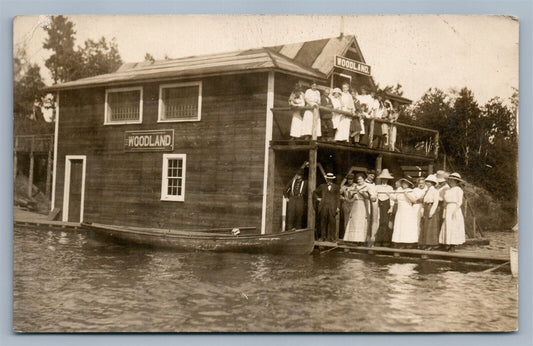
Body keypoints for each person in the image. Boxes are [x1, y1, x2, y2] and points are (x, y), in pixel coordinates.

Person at [439, 172, 466, 251]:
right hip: (448, 208)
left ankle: (453, 244)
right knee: (447, 225)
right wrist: (444, 210)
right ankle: (447, 243)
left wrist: (455, 210)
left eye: (453, 181)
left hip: (455, 208)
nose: (451, 182)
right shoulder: (448, 190)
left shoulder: (458, 190)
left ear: (456, 182)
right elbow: (445, 201)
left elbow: (460, 201)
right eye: (450, 180)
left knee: (454, 225)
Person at [343, 173, 370, 244]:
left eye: (360, 179)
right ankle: (353, 239)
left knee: (361, 221)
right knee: (354, 221)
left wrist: (362, 193)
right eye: (358, 179)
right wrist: (351, 194)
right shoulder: (355, 187)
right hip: (355, 204)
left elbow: (368, 197)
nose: (359, 181)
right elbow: (349, 197)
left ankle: (361, 240)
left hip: (362, 205)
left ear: (364, 179)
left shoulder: (366, 186)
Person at [391, 178, 418, 248]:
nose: (404, 184)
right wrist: (389, 194)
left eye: (406, 183)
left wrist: (407, 194)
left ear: (408, 184)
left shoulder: (410, 191)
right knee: (399, 225)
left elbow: (414, 200)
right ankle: (400, 242)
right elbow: (395, 198)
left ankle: (408, 243)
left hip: (407, 210)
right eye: (403, 183)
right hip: (400, 211)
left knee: (406, 226)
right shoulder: (399, 190)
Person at [313, 173, 340, 242]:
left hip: (332, 207)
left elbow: (338, 198)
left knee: (332, 222)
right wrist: (318, 198)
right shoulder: (322, 186)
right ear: (326, 179)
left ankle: (332, 238)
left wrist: (338, 207)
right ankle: (322, 237)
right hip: (324, 206)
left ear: (332, 179)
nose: (329, 180)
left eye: (331, 179)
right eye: (328, 179)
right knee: (323, 222)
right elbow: (314, 192)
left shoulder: (336, 187)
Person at [418, 174, 440, 249]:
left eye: (429, 182)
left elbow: (436, 202)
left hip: (431, 207)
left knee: (431, 226)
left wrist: (431, 212)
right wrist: (423, 209)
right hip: (426, 207)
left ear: (432, 183)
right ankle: (425, 243)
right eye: (427, 181)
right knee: (425, 226)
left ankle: (431, 244)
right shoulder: (427, 191)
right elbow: (425, 200)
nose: (427, 183)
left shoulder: (435, 191)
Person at [374, 169, 395, 247]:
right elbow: (374, 196)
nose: (384, 180)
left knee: (385, 222)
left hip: (386, 205)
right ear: (381, 179)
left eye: (386, 179)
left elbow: (393, 198)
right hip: (378, 205)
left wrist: (391, 207)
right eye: (383, 179)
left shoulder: (390, 188)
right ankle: (378, 240)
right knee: (378, 222)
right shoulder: (377, 187)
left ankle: (385, 240)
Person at [283, 165, 308, 231]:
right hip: (292, 199)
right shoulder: (292, 181)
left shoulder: (305, 182)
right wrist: (286, 197)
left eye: (300, 175)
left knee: (299, 215)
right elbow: (285, 190)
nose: (298, 176)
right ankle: (289, 231)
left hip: (300, 199)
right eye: (298, 175)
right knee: (291, 215)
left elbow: (309, 192)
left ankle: (298, 232)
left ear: (302, 176)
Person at [339, 171, 357, 239]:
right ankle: (346, 237)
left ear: (353, 180)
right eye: (349, 179)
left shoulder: (356, 186)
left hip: (354, 205)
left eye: (351, 179)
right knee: (346, 220)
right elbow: (339, 194)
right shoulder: (344, 187)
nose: (350, 181)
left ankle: (353, 237)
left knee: (354, 220)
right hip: (346, 204)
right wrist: (343, 198)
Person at [365, 170, 379, 247]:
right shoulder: (364, 183)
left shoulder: (374, 184)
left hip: (374, 203)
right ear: (367, 175)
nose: (372, 177)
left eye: (373, 176)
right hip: (367, 203)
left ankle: (372, 239)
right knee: (367, 220)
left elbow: (375, 193)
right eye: (370, 175)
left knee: (374, 220)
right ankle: (365, 240)